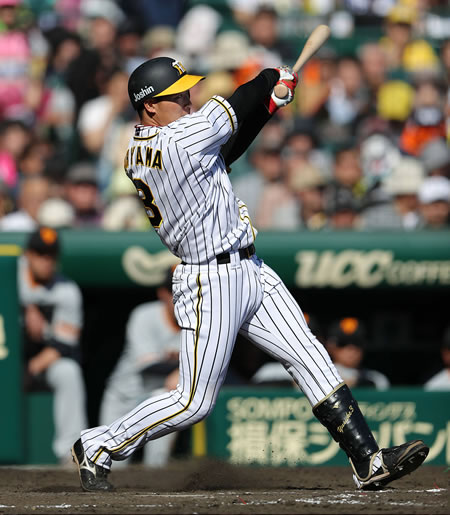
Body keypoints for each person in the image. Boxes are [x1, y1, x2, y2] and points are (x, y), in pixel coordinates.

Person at [72, 56, 428, 492]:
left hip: (250, 268)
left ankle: (367, 460)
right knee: (193, 402)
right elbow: (238, 103)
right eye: (178, 96)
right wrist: (269, 79)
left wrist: (269, 106)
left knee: (310, 355)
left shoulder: (147, 146)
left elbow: (227, 148)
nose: (188, 99)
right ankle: (99, 445)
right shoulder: (177, 139)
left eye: (187, 92)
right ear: (150, 106)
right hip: (209, 279)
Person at [19, 227, 87, 462]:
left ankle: (71, 453)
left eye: (51, 255)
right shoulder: (10, 276)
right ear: (28, 254)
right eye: (40, 254)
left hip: (41, 362)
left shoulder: (67, 290)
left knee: (69, 371)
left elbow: (64, 345)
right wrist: (26, 308)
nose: (46, 261)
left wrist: (30, 369)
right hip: (8, 358)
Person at [100, 270, 180, 467]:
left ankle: (157, 471)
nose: (182, 300)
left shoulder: (200, 323)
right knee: (111, 466)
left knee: (165, 398)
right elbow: (149, 366)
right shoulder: (144, 316)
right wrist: (183, 369)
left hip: (158, 397)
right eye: (176, 292)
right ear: (163, 293)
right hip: (123, 399)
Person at [326, 318, 390, 391]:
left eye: (357, 343)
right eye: (343, 343)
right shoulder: (321, 375)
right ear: (330, 346)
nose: (351, 348)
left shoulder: (376, 380)